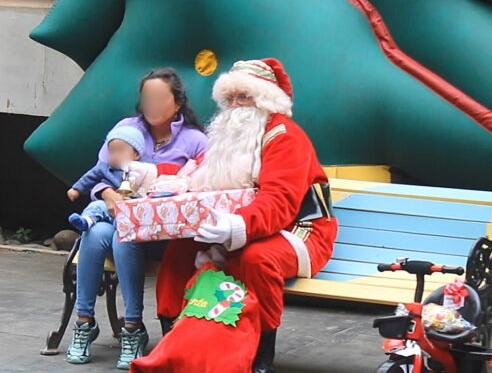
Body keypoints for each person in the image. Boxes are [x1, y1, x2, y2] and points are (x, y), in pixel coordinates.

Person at [144, 58, 339, 373]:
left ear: (264, 100)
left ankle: (263, 351)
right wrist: (155, 176)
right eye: (229, 98)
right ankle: (175, 336)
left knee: (255, 258)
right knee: (180, 250)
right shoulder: (228, 136)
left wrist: (237, 225)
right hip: (239, 226)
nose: (234, 106)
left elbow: (280, 200)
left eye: (243, 97)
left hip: (300, 229)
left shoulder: (285, 136)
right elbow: (195, 174)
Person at [65, 68, 207, 370]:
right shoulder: (126, 128)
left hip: (164, 233)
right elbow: (101, 173)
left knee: (121, 236)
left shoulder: (195, 140)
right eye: (146, 98)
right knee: (96, 233)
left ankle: (132, 327)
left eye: (159, 98)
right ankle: (85, 321)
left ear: (178, 102)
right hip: (119, 220)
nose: (151, 104)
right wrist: (109, 196)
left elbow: (204, 185)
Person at [66, 126, 146, 232]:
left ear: (136, 154)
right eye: (112, 151)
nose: (116, 155)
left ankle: (123, 227)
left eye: (120, 150)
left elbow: (149, 186)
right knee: (96, 206)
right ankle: (86, 221)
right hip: (109, 206)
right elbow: (89, 177)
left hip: (132, 209)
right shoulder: (105, 168)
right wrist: (76, 189)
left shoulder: (143, 169)